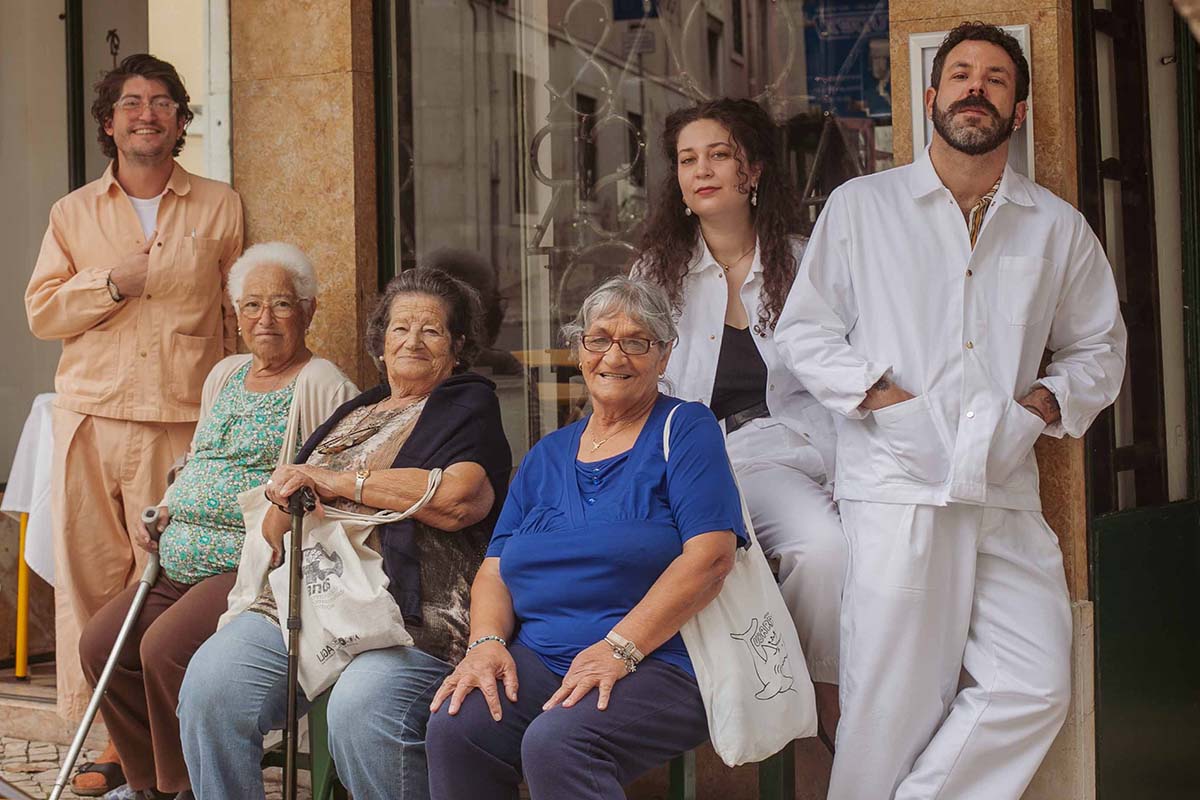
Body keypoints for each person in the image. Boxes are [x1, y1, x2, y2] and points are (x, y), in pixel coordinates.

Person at [775, 22, 1127, 800]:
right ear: (930, 97)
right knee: (889, 705)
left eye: (996, 79)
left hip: (1002, 483)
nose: (977, 88)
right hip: (897, 483)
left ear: (1020, 109)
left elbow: (1099, 346)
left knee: (1035, 684)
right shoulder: (863, 207)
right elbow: (805, 332)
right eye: (961, 74)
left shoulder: (1056, 225)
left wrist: (1040, 404)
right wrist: (882, 399)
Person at [178, 268, 512, 800]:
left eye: (431, 331)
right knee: (212, 686)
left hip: (410, 612)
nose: (412, 341)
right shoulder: (357, 411)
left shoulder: (467, 402)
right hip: (315, 599)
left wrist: (338, 482)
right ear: (379, 342)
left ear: (457, 346)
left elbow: (459, 499)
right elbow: (279, 520)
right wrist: (283, 497)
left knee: (362, 706)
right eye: (400, 328)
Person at [425, 277, 746, 800]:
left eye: (637, 341)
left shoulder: (685, 428)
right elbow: (495, 568)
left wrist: (619, 648)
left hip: (660, 658)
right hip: (542, 657)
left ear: (664, 356)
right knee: (459, 726)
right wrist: (484, 645)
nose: (614, 356)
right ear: (578, 350)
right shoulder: (547, 454)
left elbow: (711, 558)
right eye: (599, 339)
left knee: (560, 743)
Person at [23, 53, 243, 793]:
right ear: (109, 121)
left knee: (163, 582)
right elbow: (42, 311)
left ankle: (169, 747)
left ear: (181, 119)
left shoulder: (221, 206)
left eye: (160, 102)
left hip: (181, 420)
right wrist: (114, 281)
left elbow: (239, 316)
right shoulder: (73, 213)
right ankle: (101, 744)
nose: (145, 113)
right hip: (91, 414)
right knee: (89, 587)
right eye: (129, 102)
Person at [74, 243, 357, 800]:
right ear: (235, 315)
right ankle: (148, 784)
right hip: (176, 560)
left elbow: (335, 485)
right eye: (251, 306)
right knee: (100, 643)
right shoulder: (224, 373)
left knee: (162, 648)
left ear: (309, 310)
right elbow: (201, 459)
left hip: (249, 569)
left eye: (281, 304)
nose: (265, 319)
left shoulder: (322, 383)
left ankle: (188, 788)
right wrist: (167, 504)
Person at [633, 97, 844, 743]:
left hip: (788, 453)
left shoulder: (806, 261)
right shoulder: (656, 273)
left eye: (719, 155)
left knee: (828, 550)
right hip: (693, 461)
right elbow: (634, 384)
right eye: (687, 159)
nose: (702, 170)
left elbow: (845, 376)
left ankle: (817, 706)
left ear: (751, 171)